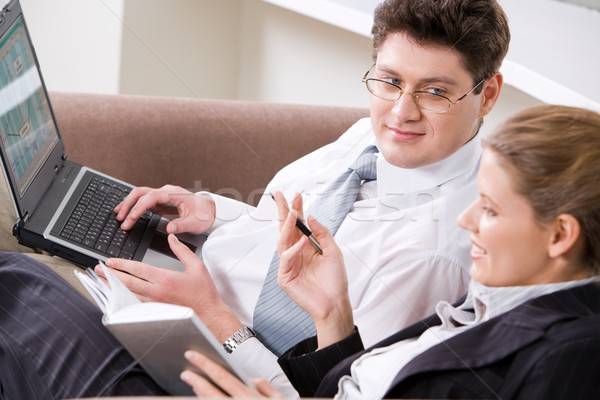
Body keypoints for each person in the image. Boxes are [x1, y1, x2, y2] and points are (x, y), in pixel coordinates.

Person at [0, 0, 508, 397]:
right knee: (19, 199)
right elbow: (277, 225)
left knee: (13, 279)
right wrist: (214, 210)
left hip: (184, 344)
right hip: (173, 270)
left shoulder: (435, 252)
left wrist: (208, 310)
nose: (402, 112)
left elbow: (323, 389)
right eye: (390, 80)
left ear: (487, 94)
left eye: (436, 92)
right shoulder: (369, 139)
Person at [180, 105, 600, 399]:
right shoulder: (494, 296)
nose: (466, 220)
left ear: (561, 235)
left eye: (489, 209)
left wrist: (220, 324)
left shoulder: (573, 353)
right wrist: (332, 313)